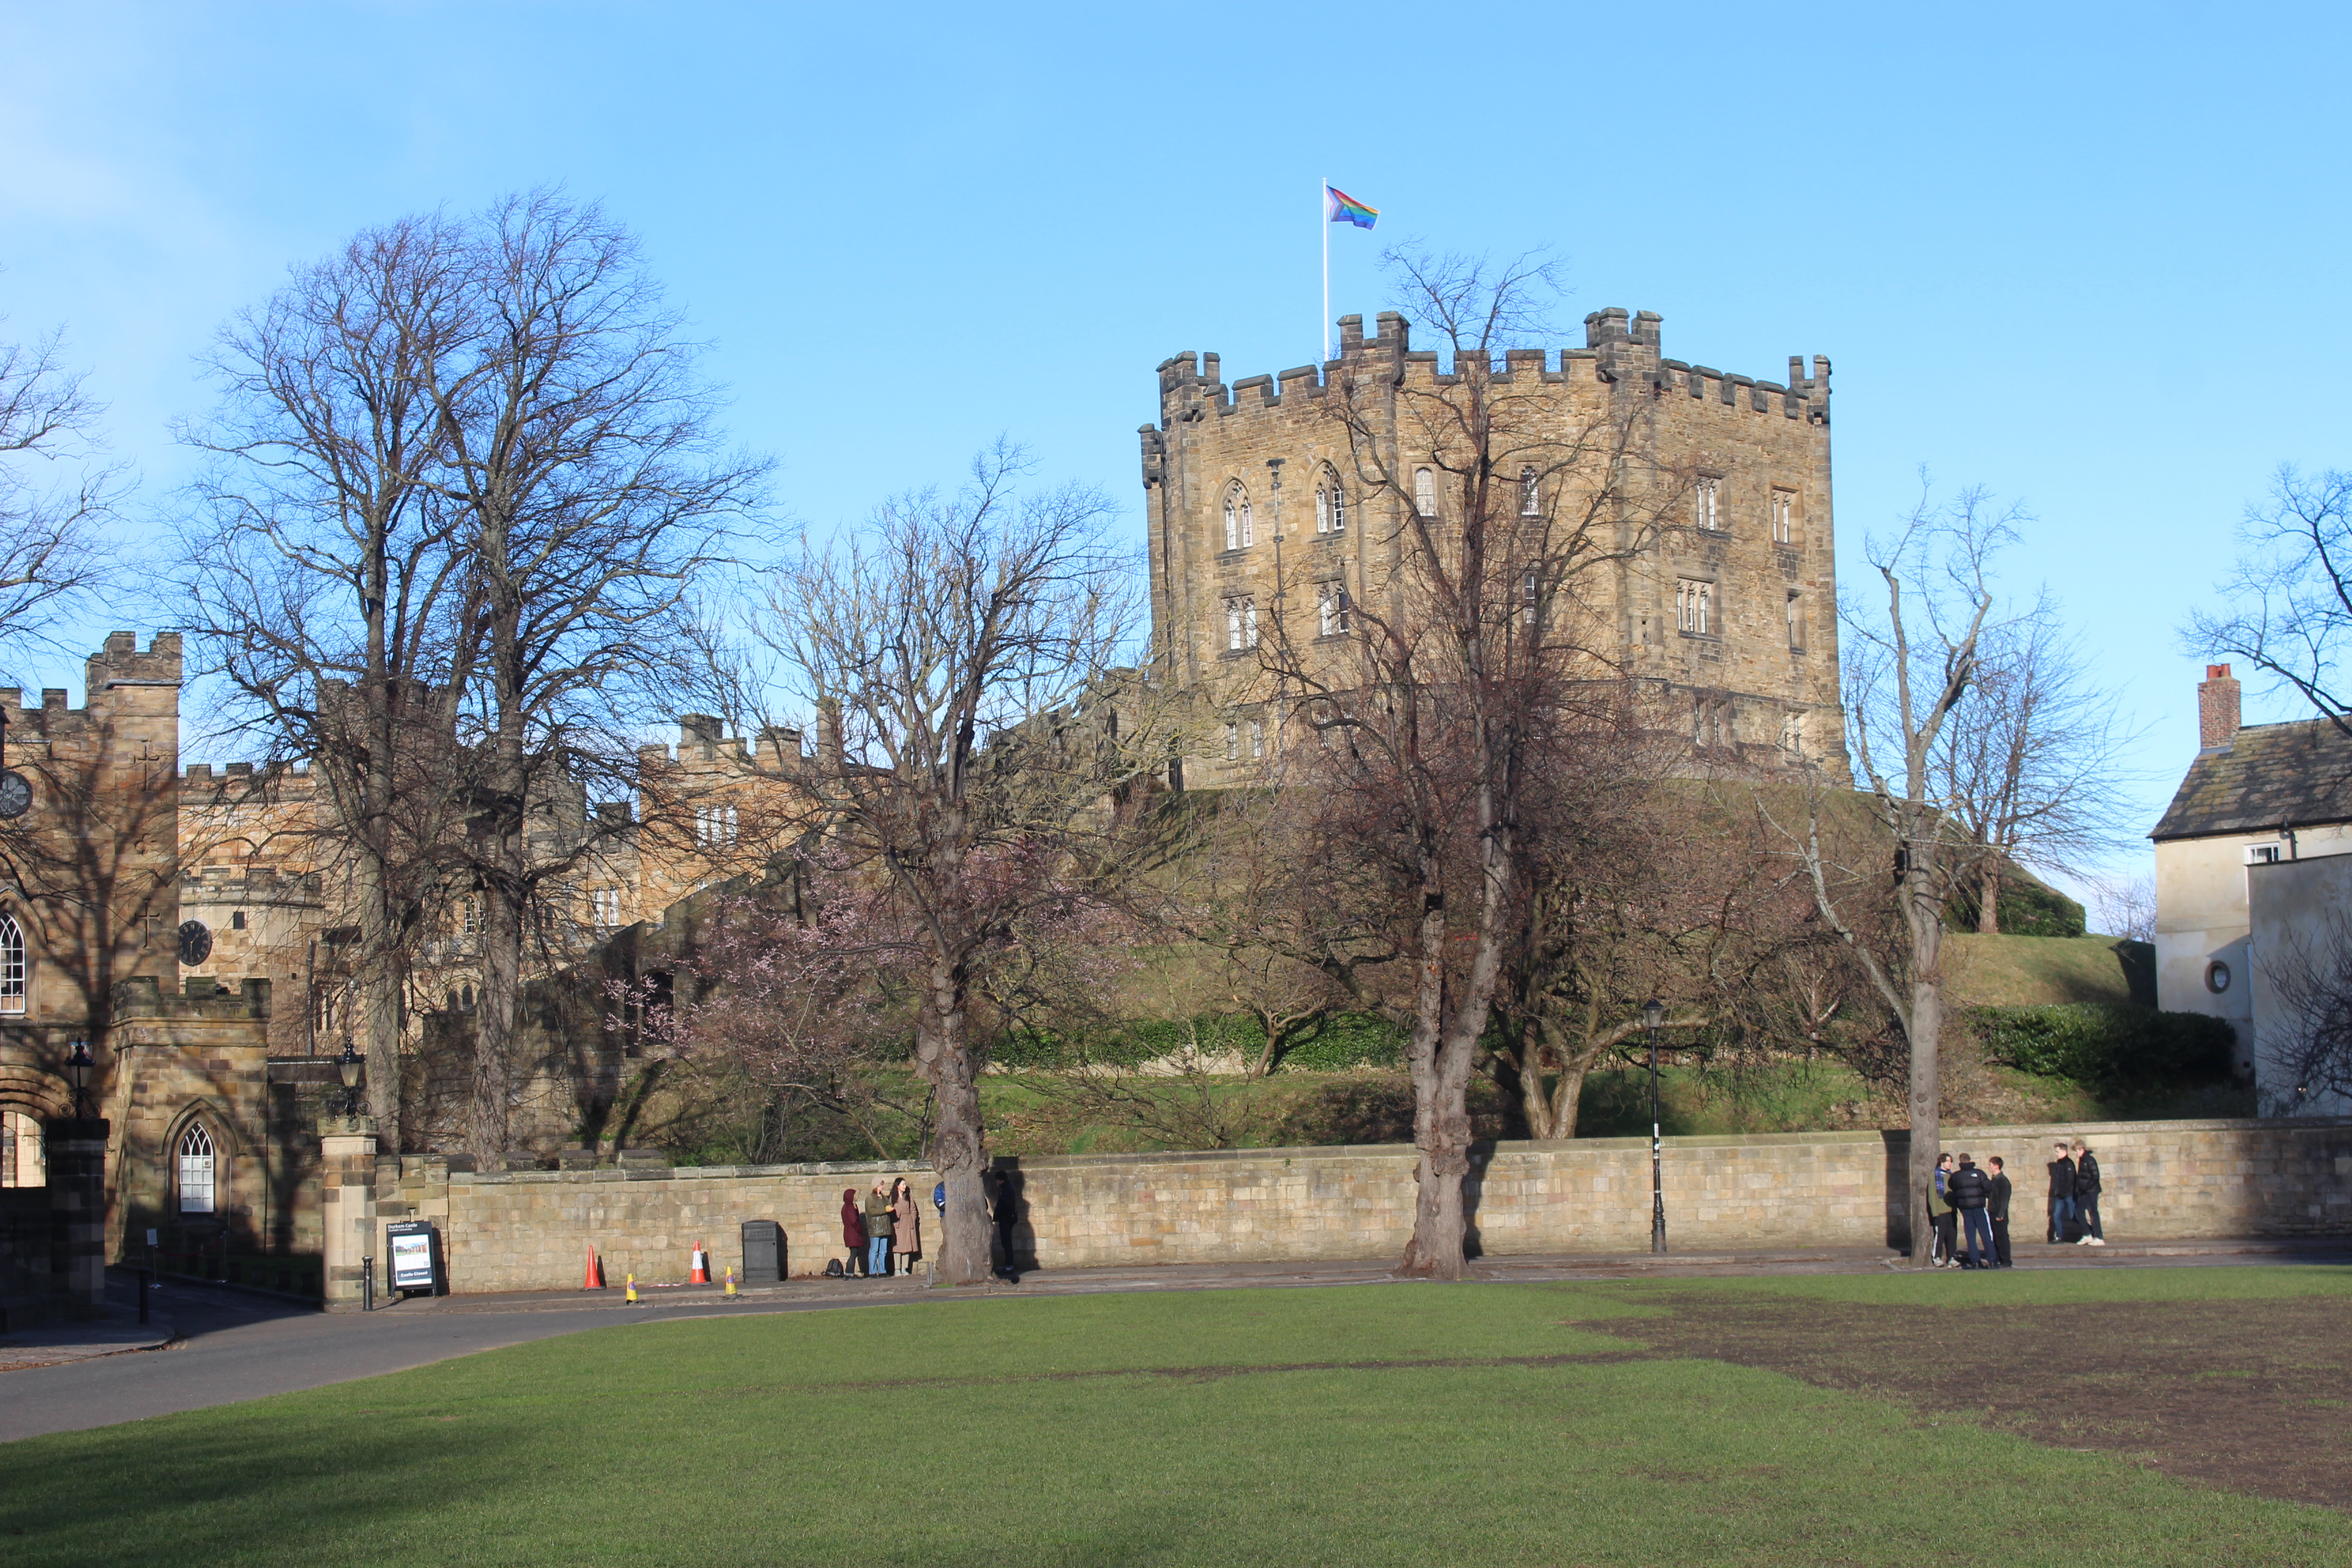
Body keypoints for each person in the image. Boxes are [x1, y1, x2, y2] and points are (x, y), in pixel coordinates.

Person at [1946, 1152, 1993, 1269]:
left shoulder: (1956, 1176)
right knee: (1985, 1234)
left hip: (1966, 1208)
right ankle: (1992, 1260)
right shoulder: (1979, 1173)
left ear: (1960, 1162)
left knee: (1970, 1236)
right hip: (1979, 1207)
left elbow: (1952, 1187)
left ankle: (1975, 1262)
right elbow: (1988, 1187)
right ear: (1970, 1161)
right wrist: (1982, 1195)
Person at [2072, 1139, 2106, 1245]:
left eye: (2077, 1150)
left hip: (2091, 1191)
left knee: (2093, 1213)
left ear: (2082, 1149)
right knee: (2078, 1212)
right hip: (2084, 1191)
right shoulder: (2083, 1160)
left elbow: (2095, 1176)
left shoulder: (2089, 1160)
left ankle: (2099, 1237)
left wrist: (2086, 1188)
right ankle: (2087, 1235)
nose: (2075, 1153)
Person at [992, 1169, 1024, 1279]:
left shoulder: (1006, 1190)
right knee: (1006, 1243)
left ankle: (1009, 1266)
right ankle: (1008, 1265)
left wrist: (998, 1216)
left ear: (1000, 1180)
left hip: (1006, 1219)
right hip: (1007, 1219)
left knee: (1007, 1243)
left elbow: (1004, 1206)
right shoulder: (1006, 1188)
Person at [1927, 1152, 1957, 1267]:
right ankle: (1937, 1257)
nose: (1950, 1164)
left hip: (1951, 1210)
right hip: (1940, 1211)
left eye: (1951, 1161)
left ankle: (1952, 1257)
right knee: (1940, 1235)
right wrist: (1935, 1212)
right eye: (1948, 1161)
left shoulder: (1951, 1175)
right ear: (1942, 1162)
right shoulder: (1934, 1176)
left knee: (1952, 1235)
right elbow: (1932, 1195)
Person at [890, 1175, 921, 1275]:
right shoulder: (892, 1198)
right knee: (898, 1247)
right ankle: (897, 1269)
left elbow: (913, 1210)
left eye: (905, 1184)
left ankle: (904, 1268)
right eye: (903, 1184)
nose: (905, 1186)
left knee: (908, 1246)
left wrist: (912, 1220)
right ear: (897, 1186)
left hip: (908, 1223)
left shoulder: (908, 1197)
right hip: (897, 1223)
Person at [1986, 1156, 2014, 1268]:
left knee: (2002, 1237)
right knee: (1996, 1236)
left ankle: (2006, 1260)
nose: (1989, 1167)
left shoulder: (2003, 1181)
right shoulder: (1994, 1180)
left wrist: (2000, 1214)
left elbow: (2004, 1200)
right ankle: (1998, 1258)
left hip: (1999, 1213)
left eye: (1991, 1165)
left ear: (1997, 1166)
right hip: (1993, 1211)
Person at [2047, 1141, 2076, 1244]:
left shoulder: (2068, 1163)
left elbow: (2070, 1180)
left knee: (2074, 1215)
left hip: (2068, 1195)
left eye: (2058, 1152)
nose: (2056, 1154)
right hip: (2060, 1195)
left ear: (2064, 1151)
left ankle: (2088, 1233)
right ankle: (2059, 1237)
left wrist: (2065, 1192)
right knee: (2056, 1215)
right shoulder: (2060, 1164)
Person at [864, 1181, 896, 1277]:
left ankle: (882, 1271)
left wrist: (889, 1207)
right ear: (876, 1186)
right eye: (881, 1185)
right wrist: (885, 1210)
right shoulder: (870, 1198)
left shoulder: (884, 1198)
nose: (883, 1187)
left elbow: (889, 1205)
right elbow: (871, 1211)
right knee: (874, 1250)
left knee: (884, 1251)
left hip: (885, 1227)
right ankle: (872, 1271)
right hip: (875, 1227)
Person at [839, 1186, 867, 1276]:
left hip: (850, 1233)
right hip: (853, 1233)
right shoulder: (850, 1207)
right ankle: (849, 1272)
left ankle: (849, 1272)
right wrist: (859, 1229)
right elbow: (854, 1220)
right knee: (854, 1253)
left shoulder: (846, 1207)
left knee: (854, 1253)